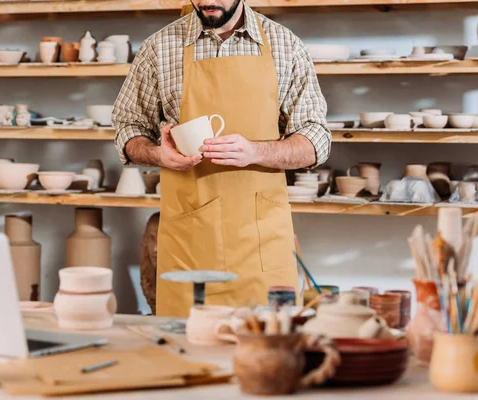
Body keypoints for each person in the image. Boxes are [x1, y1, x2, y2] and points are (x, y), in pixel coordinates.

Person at [112, 0, 331, 317]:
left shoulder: (285, 45)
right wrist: (156, 153)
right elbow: (128, 126)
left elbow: (316, 141)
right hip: (189, 242)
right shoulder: (160, 47)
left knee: (263, 353)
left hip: (260, 242)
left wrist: (255, 151)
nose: (207, 1)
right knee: (186, 352)